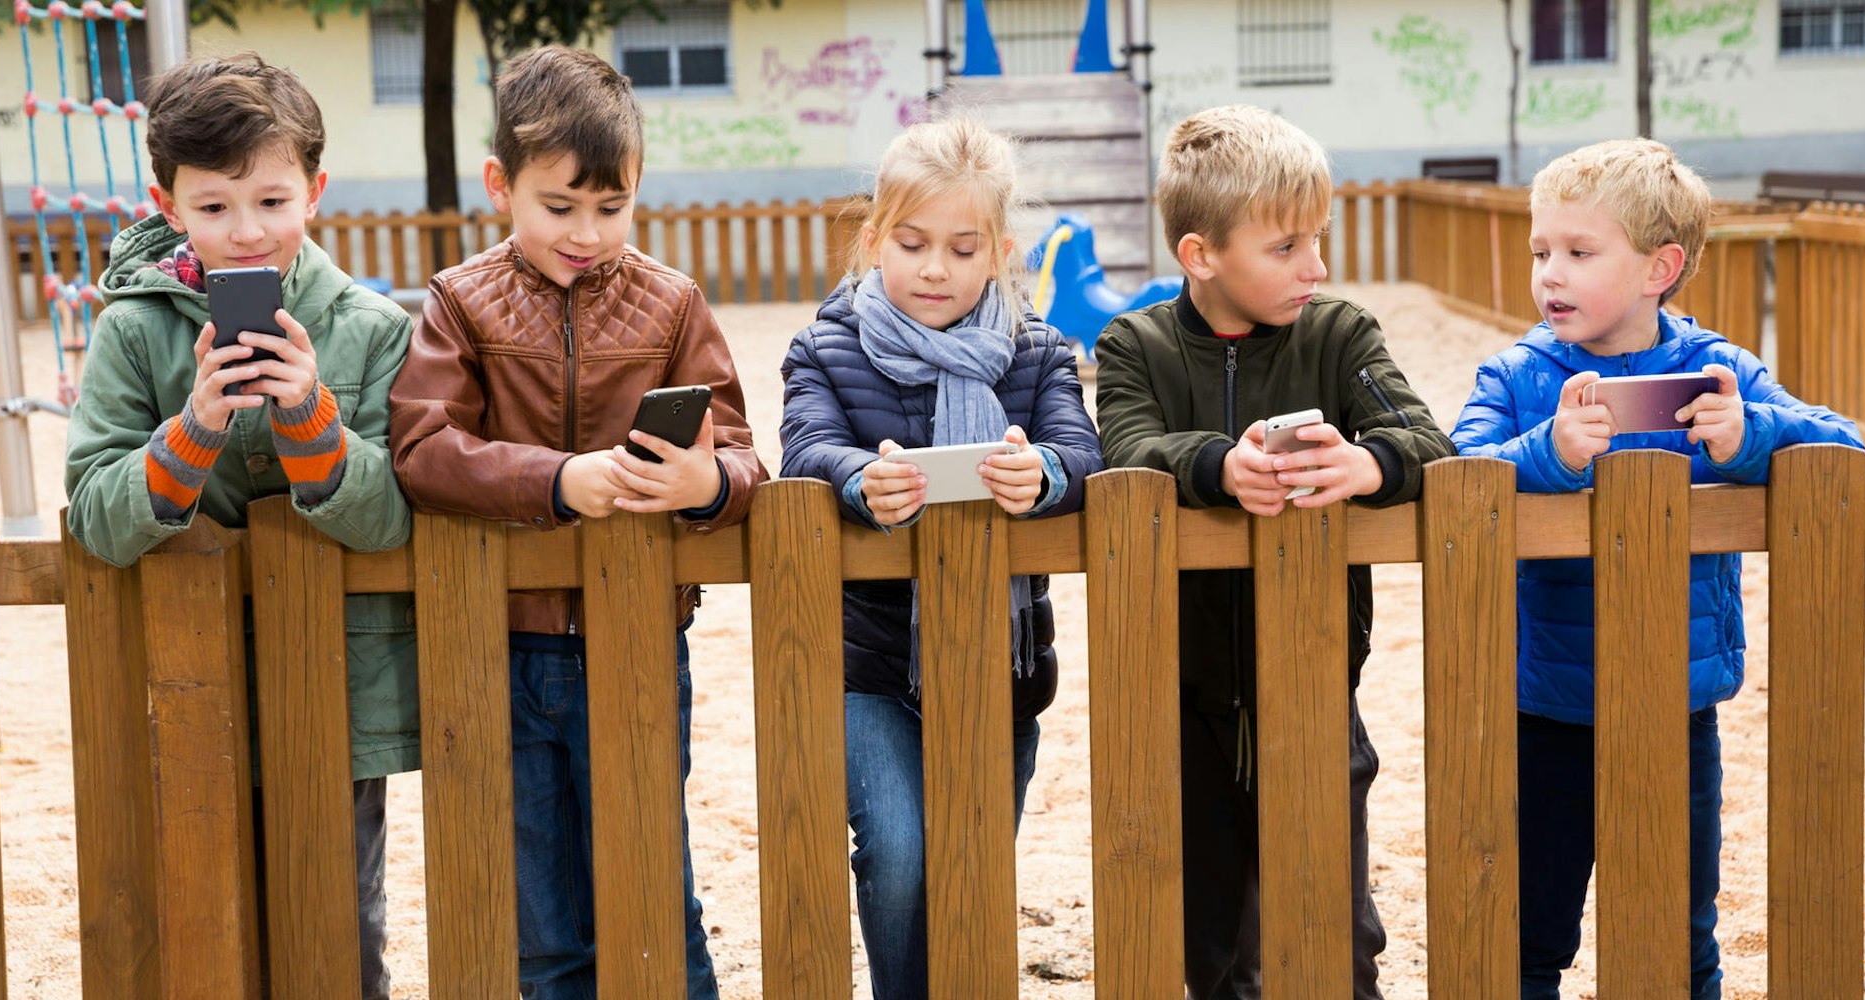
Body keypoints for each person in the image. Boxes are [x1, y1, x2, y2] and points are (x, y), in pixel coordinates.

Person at [387, 45, 764, 1000]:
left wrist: (703, 485)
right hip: (500, 651)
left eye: (612, 206)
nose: (587, 232)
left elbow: (746, 458)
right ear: (499, 187)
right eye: (559, 207)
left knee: (654, 899)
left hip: (637, 642)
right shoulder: (459, 303)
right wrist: (560, 481)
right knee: (543, 926)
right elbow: (425, 451)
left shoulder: (672, 304)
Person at [1449, 137, 1863, 1000]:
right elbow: (1457, 473)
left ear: (1658, 268)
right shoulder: (1518, 375)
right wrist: (1548, 451)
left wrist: (1751, 436)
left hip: (1680, 705)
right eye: (1540, 252)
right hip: (1547, 706)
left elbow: (1842, 447)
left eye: (1578, 252)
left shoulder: (1719, 369)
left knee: (1682, 934)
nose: (1549, 274)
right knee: (1531, 933)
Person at [63, 52, 416, 999]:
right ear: (167, 203)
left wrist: (310, 417)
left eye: (271, 200)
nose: (247, 231)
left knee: (341, 931)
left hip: (337, 691)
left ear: (315, 191)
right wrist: (195, 427)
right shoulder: (133, 331)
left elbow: (390, 520)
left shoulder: (373, 329)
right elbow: (94, 512)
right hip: (182, 681)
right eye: (214, 207)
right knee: (203, 927)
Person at [1094, 104, 1456, 999]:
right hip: (1183, 696)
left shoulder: (1339, 334)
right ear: (1200, 254)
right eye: (1287, 247)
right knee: (1206, 940)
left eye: (1319, 241)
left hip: (1318, 679)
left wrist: (1366, 463)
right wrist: (1219, 465)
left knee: (1337, 934)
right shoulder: (1132, 346)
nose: (1317, 267)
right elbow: (1126, 451)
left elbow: (1430, 441)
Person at [777, 116, 1102, 1000]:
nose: (934, 268)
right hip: (869, 663)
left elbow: (1084, 454)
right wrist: (856, 479)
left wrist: (1041, 471)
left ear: (999, 251)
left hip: (1004, 665)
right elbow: (804, 448)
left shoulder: (1036, 355)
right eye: (913, 243)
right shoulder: (828, 346)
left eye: (963, 249)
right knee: (899, 846)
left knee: (973, 856)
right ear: (875, 238)